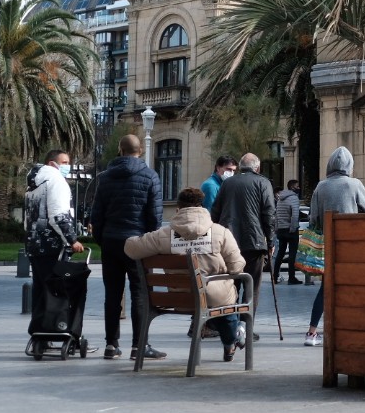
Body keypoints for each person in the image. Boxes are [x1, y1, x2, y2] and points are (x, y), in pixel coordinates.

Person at [124, 187, 248, 361]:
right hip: (213, 297)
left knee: (213, 298)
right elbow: (237, 267)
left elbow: (131, 248)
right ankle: (231, 340)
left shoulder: (163, 235)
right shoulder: (220, 232)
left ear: (178, 209)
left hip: (178, 298)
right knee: (222, 296)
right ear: (203, 208)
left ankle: (229, 336)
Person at [90, 134, 164, 360]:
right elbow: (155, 216)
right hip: (137, 242)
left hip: (111, 241)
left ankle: (111, 345)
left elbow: (97, 215)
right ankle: (139, 345)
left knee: (112, 294)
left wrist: (103, 239)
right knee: (140, 293)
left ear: (120, 151)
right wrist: (148, 240)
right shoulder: (150, 176)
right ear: (140, 150)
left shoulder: (105, 178)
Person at [305, 146, 365, 347]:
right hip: (350, 246)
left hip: (327, 246)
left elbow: (314, 218)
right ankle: (351, 329)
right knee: (352, 287)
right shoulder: (354, 184)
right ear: (349, 165)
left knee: (325, 289)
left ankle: (311, 332)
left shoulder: (321, 186)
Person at [211, 153, 275, 340]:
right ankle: (245, 328)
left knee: (231, 286)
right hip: (253, 243)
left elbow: (215, 211)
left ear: (240, 167)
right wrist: (270, 241)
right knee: (251, 287)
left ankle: (230, 329)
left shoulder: (228, 183)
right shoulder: (263, 183)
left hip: (228, 243)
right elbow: (269, 214)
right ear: (257, 167)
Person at [23, 149, 84, 342]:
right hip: (52, 245)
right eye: (64, 162)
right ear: (52, 163)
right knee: (56, 290)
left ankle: (40, 331)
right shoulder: (56, 181)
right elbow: (58, 216)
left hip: (34, 244)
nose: (67, 166)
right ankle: (56, 328)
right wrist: (72, 240)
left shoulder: (33, 184)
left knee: (41, 290)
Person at [273, 179, 302, 284]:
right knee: (292, 254)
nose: (299, 188)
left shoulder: (280, 199)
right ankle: (291, 278)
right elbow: (295, 215)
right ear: (293, 187)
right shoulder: (294, 198)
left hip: (281, 229)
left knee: (280, 253)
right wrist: (293, 228)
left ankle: (274, 277)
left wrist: (277, 228)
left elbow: (276, 215)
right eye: (297, 186)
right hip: (290, 230)